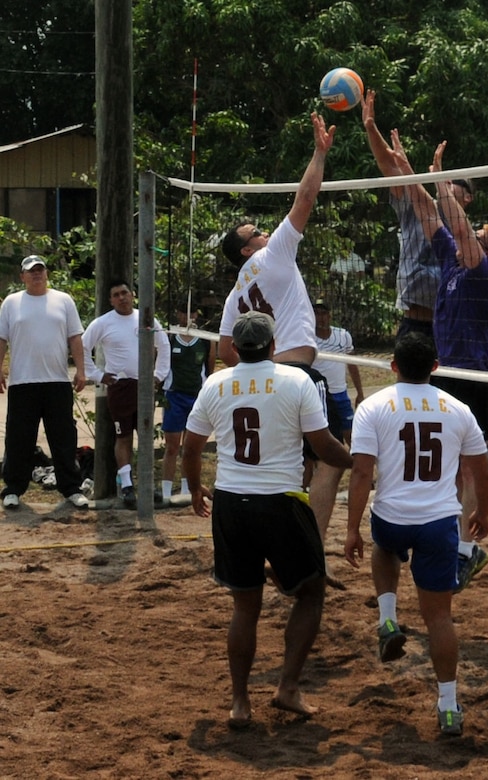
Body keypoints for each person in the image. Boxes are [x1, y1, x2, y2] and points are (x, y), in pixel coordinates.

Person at [182, 311, 352, 728]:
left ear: (234, 350)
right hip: (281, 501)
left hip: (231, 503)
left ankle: (240, 702)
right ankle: (288, 687)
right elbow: (324, 445)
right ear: (274, 346)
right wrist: (360, 464)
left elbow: (190, 447)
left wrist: (194, 488)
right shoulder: (296, 381)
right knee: (311, 592)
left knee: (245, 605)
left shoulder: (215, 383)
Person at [218, 111, 346, 583]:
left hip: (265, 381)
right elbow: (306, 196)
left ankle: (292, 555)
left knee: (297, 473)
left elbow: (227, 351)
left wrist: (259, 370)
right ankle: (311, 557)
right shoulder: (274, 257)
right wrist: (320, 151)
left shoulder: (236, 293)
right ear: (248, 249)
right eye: (256, 231)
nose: (265, 231)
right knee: (334, 460)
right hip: (298, 375)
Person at [345, 332, 488, 736]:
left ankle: (388, 619)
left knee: (385, 547)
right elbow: (481, 471)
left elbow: (361, 473)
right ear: (436, 367)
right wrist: (483, 512)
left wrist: (351, 529)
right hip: (439, 523)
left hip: (392, 516)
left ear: (393, 367)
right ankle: (448, 706)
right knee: (440, 618)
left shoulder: (373, 407)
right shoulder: (458, 409)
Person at [387, 130, 488, 591]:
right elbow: (426, 214)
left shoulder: (481, 274)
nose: (469, 234)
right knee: (447, 464)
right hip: (450, 375)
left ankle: (463, 549)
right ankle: (445, 540)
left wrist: (439, 179)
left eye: (477, 236)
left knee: (467, 464)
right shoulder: (453, 263)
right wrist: (410, 171)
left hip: (475, 379)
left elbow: (455, 224)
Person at [362, 89, 475, 342]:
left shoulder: (470, 235)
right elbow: (390, 166)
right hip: (414, 323)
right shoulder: (419, 206)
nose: (444, 179)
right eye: (441, 176)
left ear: (468, 197)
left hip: (450, 323)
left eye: (452, 180)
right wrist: (371, 128)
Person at [0, 255, 89, 509]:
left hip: (57, 381)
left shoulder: (63, 300)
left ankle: (71, 488)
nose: (36, 274)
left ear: (46, 273)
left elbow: (75, 338)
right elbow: (2, 339)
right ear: (22, 276)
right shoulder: (11, 303)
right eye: (31, 271)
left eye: (40, 270)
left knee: (63, 437)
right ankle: (13, 489)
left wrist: (81, 370)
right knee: (19, 438)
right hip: (22, 382)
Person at [82, 279, 171, 508]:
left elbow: (164, 346)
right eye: (116, 295)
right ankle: (127, 486)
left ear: (133, 294)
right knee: (123, 437)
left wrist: (158, 375)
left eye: (125, 293)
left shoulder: (147, 319)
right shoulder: (103, 323)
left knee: (145, 435)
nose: (122, 298)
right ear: (111, 300)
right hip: (120, 387)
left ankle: (148, 485)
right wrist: (97, 375)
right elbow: (82, 347)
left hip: (144, 387)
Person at [160, 297, 215, 498]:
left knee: (190, 447)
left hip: (196, 398)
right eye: (185, 311)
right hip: (174, 396)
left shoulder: (206, 340)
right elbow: (162, 365)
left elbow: (209, 371)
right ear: (178, 314)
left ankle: (186, 490)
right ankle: (165, 492)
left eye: (193, 313)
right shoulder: (170, 337)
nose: (189, 316)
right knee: (172, 446)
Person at [311, 299, 364, 446]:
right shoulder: (308, 338)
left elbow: (352, 365)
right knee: (323, 437)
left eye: (323, 313)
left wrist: (360, 392)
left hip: (340, 393)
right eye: (316, 313)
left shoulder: (342, 336)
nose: (320, 317)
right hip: (319, 395)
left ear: (329, 316)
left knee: (350, 434)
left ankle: (358, 465)